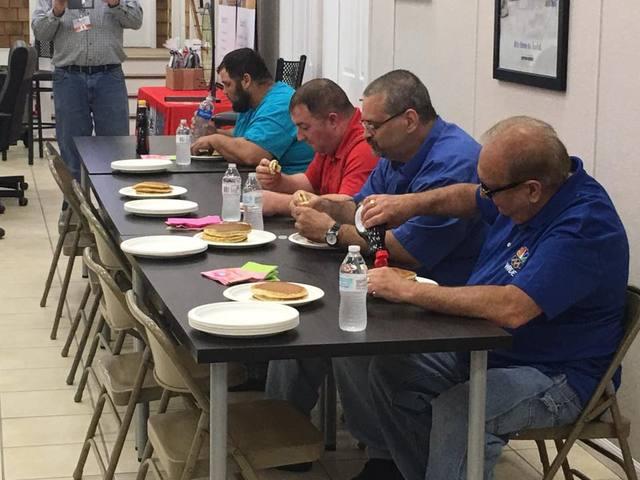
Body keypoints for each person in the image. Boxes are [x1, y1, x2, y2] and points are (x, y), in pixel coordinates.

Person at [361, 116, 629, 480]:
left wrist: (408, 290)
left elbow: (512, 307)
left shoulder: (583, 226)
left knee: (463, 410)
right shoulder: (528, 193)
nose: (484, 195)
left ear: (531, 189)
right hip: (490, 351)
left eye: (491, 190)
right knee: (391, 369)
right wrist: (409, 204)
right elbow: (467, 197)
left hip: (557, 375)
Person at [266, 70, 487, 479]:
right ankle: (289, 436)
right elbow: (365, 209)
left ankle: (386, 458)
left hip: (446, 298)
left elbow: (406, 250)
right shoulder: (395, 153)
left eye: (372, 125)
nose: (365, 135)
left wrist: (332, 232)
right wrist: (333, 208)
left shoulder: (452, 161)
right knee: (317, 317)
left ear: (408, 119)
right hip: (395, 284)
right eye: (363, 124)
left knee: (351, 335)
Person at [32, 0, 143, 180]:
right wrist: (57, 9)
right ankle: (74, 207)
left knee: (115, 148)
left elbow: (136, 21)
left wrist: (116, 4)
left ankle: (111, 206)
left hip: (109, 78)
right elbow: (40, 32)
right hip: (69, 78)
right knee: (71, 149)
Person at [255, 78, 379, 216]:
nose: (299, 137)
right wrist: (279, 181)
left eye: (304, 127)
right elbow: (310, 182)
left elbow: (348, 207)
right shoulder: (329, 142)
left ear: (332, 120)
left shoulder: (364, 148)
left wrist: (279, 203)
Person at [191, 48, 313, 174]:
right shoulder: (252, 101)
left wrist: (215, 140)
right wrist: (215, 132)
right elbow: (246, 135)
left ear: (246, 80)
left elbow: (253, 154)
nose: (225, 92)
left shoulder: (280, 104)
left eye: (228, 85)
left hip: (290, 185)